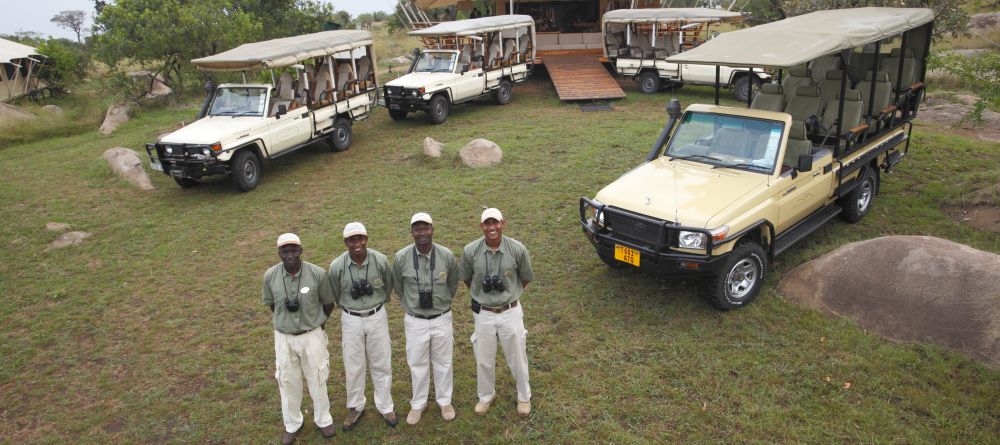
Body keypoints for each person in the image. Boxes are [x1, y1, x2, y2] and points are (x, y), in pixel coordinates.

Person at [261, 233, 337, 445]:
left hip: (312, 335)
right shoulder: (270, 276)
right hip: (284, 338)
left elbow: (328, 302)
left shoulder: (317, 274)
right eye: (285, 251)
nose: (290, 255)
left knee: (318, 378)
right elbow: (272, 306)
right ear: (279, 253)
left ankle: (323, 419)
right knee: (286, 381)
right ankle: (292, 424)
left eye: (294, 250)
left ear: (301, 251)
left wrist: (318, 323)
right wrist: (286, 324)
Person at [460, 208, 534, 417]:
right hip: (483, 312)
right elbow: (467, 278)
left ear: (503, 223)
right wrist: (484, 298)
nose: (491, 227)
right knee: (483, 357)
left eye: (495, 223)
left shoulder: (517, 249)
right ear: (481, 226)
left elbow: (525, 277)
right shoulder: (470, 251)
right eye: (487, 224)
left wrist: (509, 294)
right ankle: (485, 396)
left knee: (517, 356)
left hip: (510, 311)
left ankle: (524, 397)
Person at [327, 222, 398, 430]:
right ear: (345, 242)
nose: (356, 243)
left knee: (381, 361)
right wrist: (351, 309)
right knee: (353, 364)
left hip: (376, 315)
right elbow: (335, 293)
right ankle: (356, 406)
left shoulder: (380, 260)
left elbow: (388, 286)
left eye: (360, 238)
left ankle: (385, 405)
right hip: (351, 318)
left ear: (366, 239)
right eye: (351, 240)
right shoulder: (337, 266)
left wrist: (376, 304)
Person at [392, 212, 460, 425]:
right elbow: (398, 288)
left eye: (426, 227)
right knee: (417, 363)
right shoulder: (401, 257)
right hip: (415, 320)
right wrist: (412, 306)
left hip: (441, 318)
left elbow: (453, 285)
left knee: (443, 362)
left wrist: (442, 303)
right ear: (411, 232)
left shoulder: (446, 255)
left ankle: (444, 401)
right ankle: (418, 404)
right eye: (417, 228)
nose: (422, 232)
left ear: (433, 229)